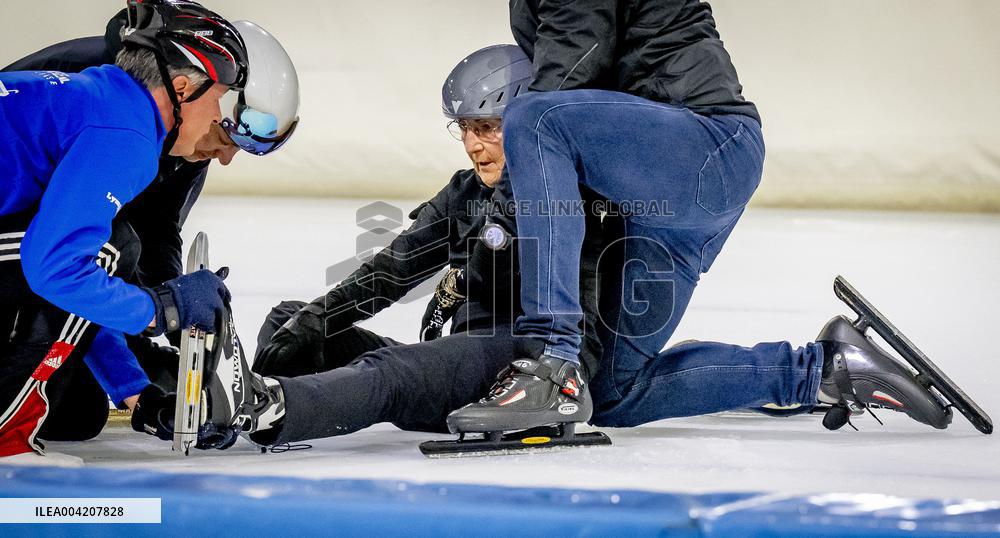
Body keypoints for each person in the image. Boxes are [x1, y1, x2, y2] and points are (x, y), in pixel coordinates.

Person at [447, 0, 962, 436]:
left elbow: (570, 67)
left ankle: (554, 362)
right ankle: (822, 370)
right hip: (663, 187)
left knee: (533, 119)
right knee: (610, 391)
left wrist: (489, 232)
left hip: (704, 151)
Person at [135, 44, 610, 448]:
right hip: (467, 358)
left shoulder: (566, 196)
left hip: (533, 367)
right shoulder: (466, 192)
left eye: (486, 128)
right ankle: (241, 396)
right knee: (292, 320)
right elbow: (391, 271)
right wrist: (314, 322)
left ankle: (268, 408)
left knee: (390, 370)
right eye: (463, 128)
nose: (470, 144)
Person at [0, 0, 253, 460]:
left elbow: (70, 286)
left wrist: (137, 394)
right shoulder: (128, 133)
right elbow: (59, 270)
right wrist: (160, 310)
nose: (221, 119)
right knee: (114, 249)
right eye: (219, 99)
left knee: (76, 415)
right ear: (182, 88)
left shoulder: (98, 99)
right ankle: (6, 440)